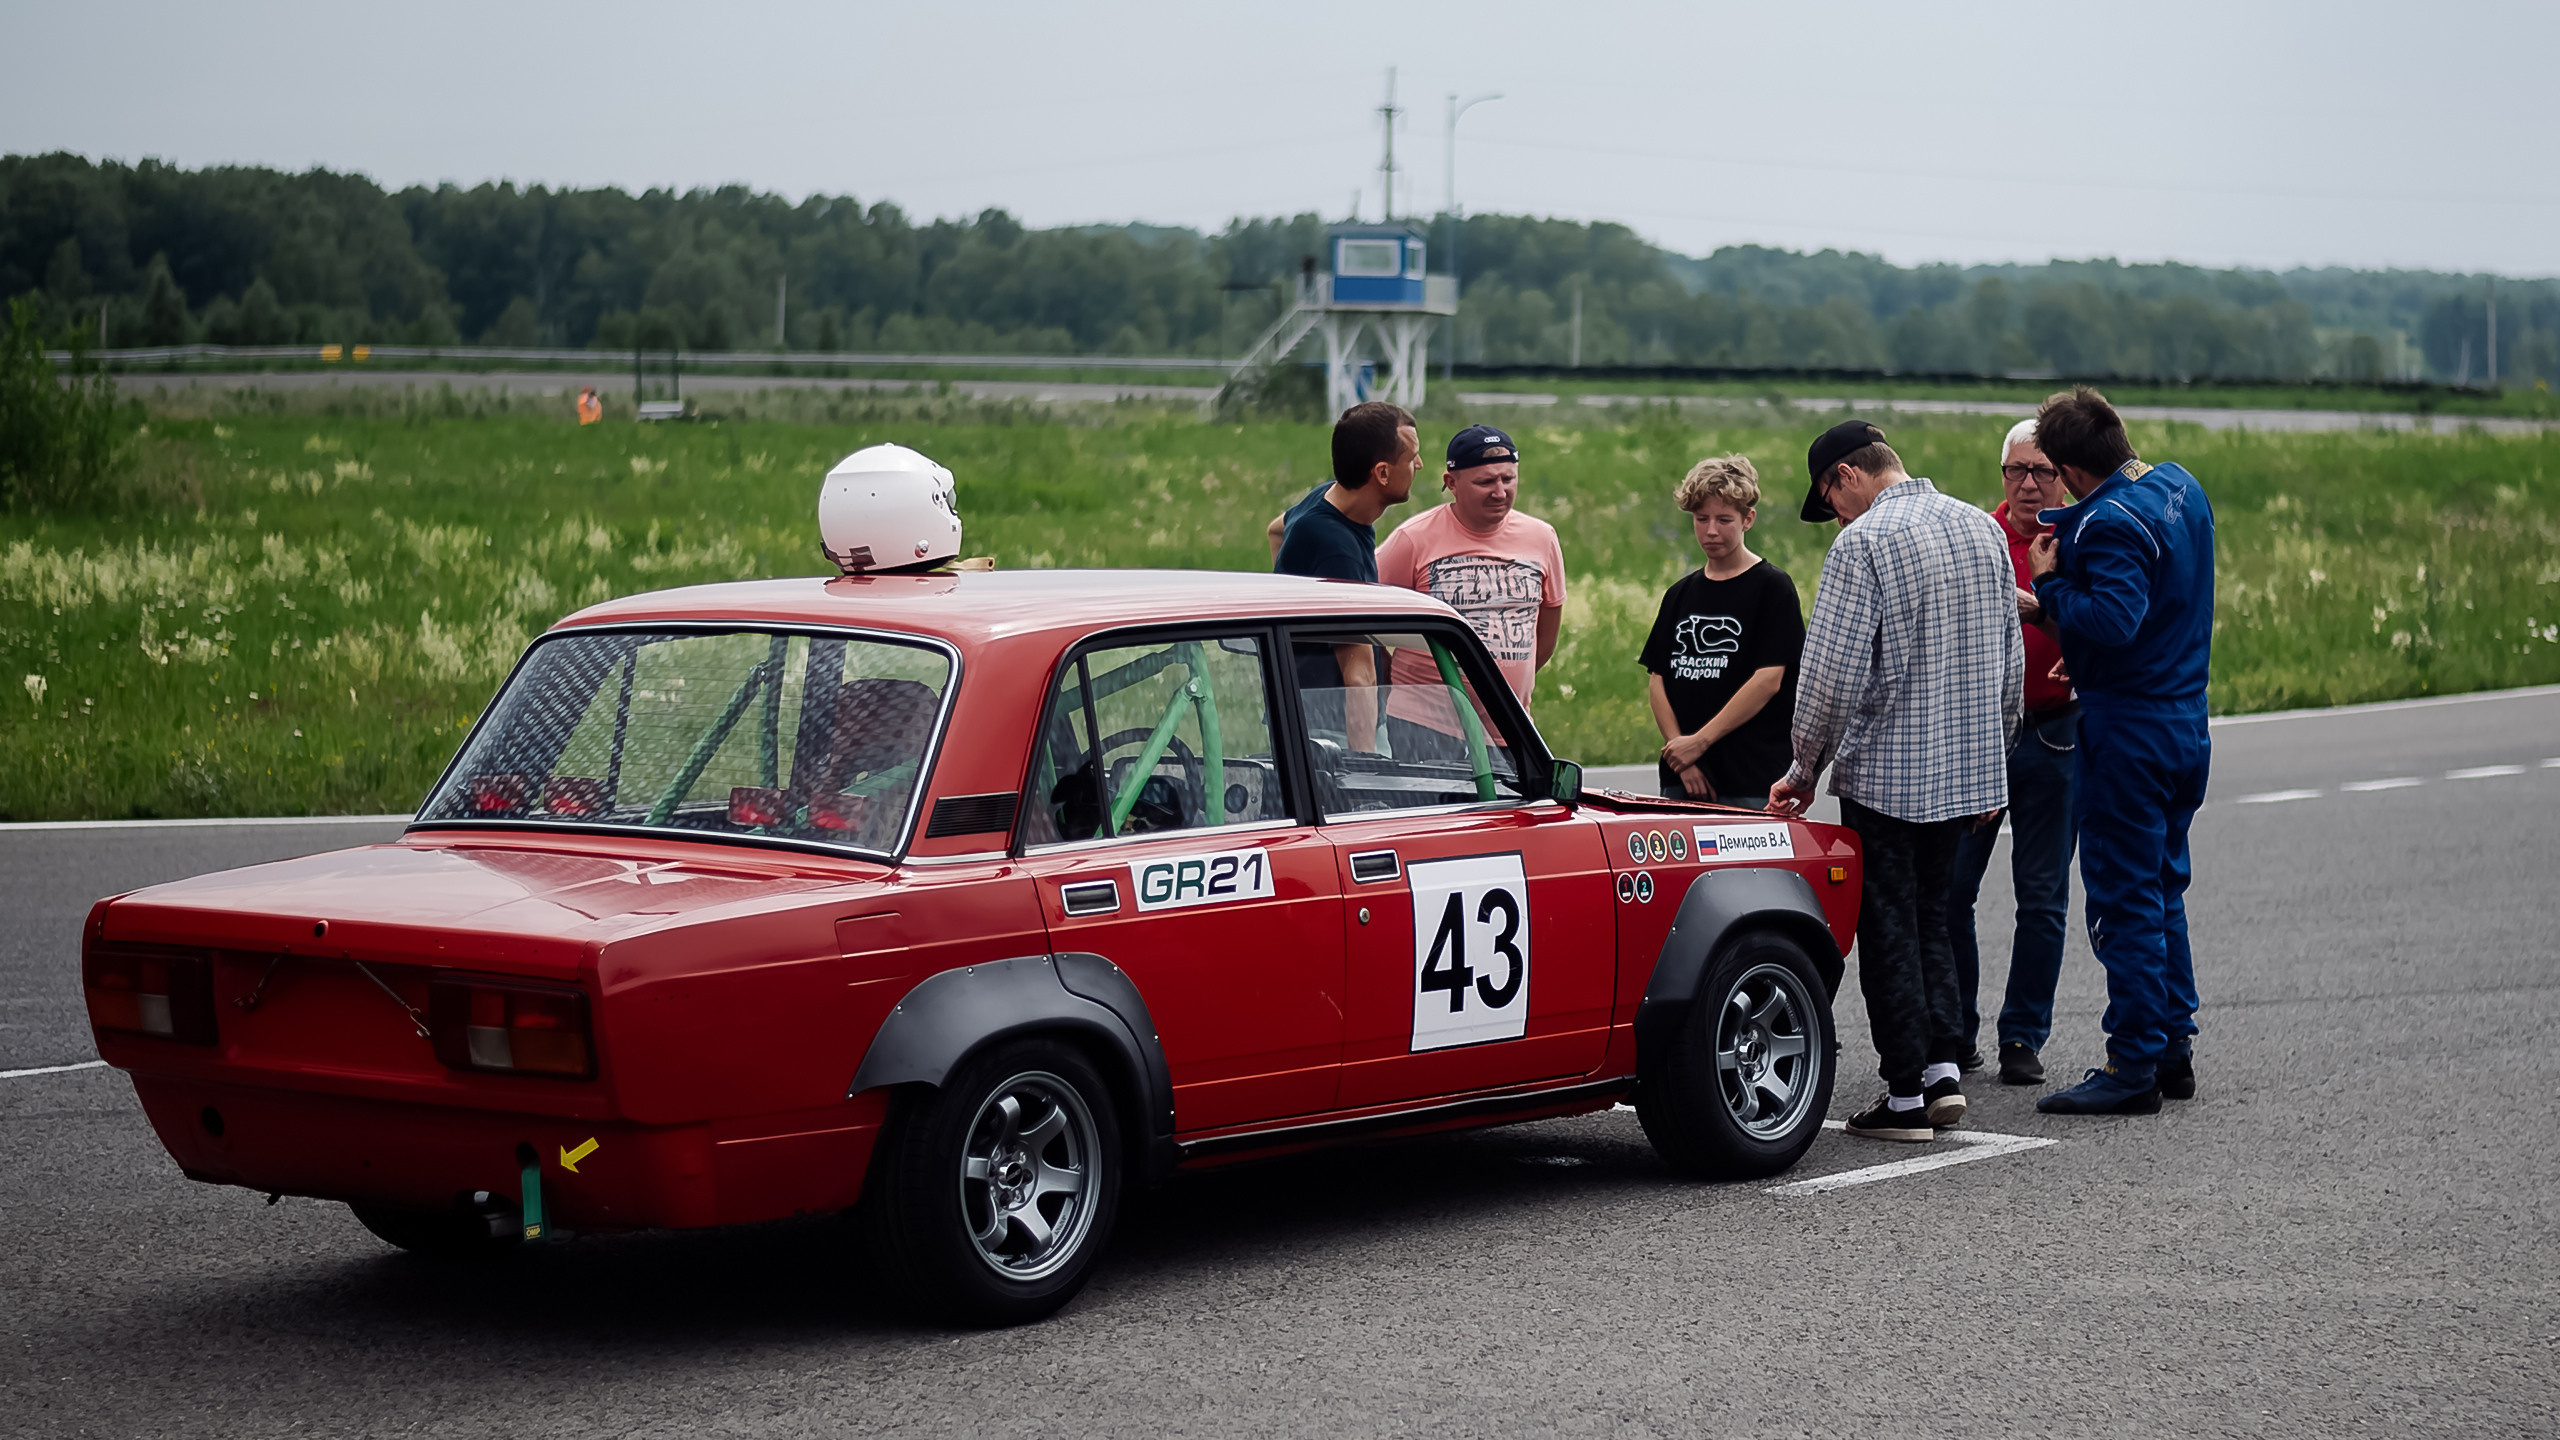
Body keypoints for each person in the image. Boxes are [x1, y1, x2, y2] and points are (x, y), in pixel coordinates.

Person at [1767, 421, 2022, 1142]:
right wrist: (1995, 763)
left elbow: (1832, 675)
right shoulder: (1983, 529)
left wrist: (1802, 768)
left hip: (1886, 770)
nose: (1835, 518)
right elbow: (2010, 664)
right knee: (1935, 914)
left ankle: (1906, 1092)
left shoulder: (1866, 542)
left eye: (1830, 500)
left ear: (1846, 475)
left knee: (1886, 926)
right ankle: (1942, 1068)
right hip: (1966, 770)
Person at [2024, 387, 2215, 1117]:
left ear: (2071, 467)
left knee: (2121, 896)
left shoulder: (2107, 523)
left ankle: (2131, 1059)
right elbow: (2160, 595)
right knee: (2163, 886)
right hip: (2183, 717)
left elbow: (2114, 615)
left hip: (2129, 729)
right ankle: (2173, 1048)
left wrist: (2050, 588)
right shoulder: (2176, 484)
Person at [1947, 419, 2080, 1086]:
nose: (2029, 485)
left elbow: (2108, 623)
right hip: (1980, 736)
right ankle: (1956, 1028)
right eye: (2016, 471)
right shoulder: (1977, 536)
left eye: (2043, 472)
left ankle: (2023, 1036)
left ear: (2064, 475)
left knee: (2043, 896)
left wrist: (2059, 629)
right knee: (1951, 892)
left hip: (2055, 732)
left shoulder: (2082, 534)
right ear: (2001, 475)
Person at [1370, 425, 1567, 761]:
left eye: (1508, 479)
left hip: (1509, 725)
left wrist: (1504, 678)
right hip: (1425, 727)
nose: (1500, 492)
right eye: (1485, 482)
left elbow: (1546, 631)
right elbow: (1359, 610)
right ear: (1451, 484)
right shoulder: (1414, 539)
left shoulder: (1542, 537)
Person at [1639, 454, 1802, 806]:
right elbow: (1657, 678)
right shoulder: (1680, 593)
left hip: (1750, 776)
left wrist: (1701, 742)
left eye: (1724, 520)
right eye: (1701, 519)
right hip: (1682, 774)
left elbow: (1769, 679)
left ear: (1748, 519)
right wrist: (1681, 754)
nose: (1711, 531)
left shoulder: (1773, 587)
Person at [1270, 401, 1420, 751]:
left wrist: (1286, 601)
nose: (1419, 464)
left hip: (1306, 712)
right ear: (1382, 473)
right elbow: (1360, 677)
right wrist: (1363, 770)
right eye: (1412, 457)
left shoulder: (1325, 498)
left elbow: (1276, 530)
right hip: (1332, 734)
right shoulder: (1337, 551)